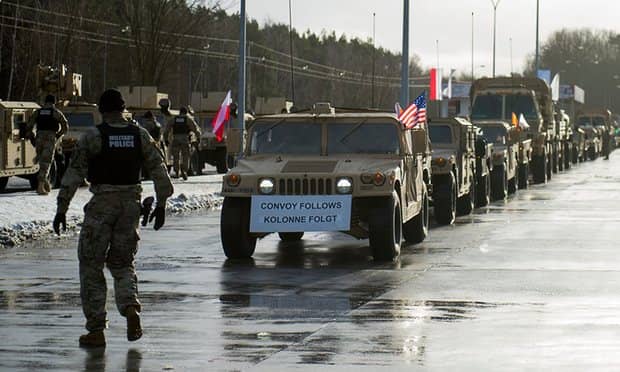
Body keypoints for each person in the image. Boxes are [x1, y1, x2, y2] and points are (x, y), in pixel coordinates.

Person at [53, 89, 174, 348]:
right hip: (131, 206)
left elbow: (74, 173)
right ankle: (131, 309)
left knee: (91, 264)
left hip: (102, 206)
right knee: (122, 263)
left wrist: (61, 208)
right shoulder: (139, 135)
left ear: (102, 109)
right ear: (123, 109)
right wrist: (162, 203)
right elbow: (159, 169)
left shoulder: (94, 137)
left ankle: (96, 330)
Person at [26, 94, 68, 195]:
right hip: (50, 138)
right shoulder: (55, 112)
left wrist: (32, 137)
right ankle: (40, 187)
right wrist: (58, 135)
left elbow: (29, 125)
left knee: (42, 162)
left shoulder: (38, 112)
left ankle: (46, 183)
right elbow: (65, 126)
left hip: (39, 138)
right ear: (54, 102)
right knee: (46, 162)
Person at [163, 106, 201, 180]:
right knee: (186, 156)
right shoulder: (188, 119)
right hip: (185, 139)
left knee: (176, 156)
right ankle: (184, 170)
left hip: (175, 139)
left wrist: (166, 139)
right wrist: (198, 138)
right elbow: (196, 129)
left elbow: (166, 129)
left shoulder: (174, 119)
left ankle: (177, 172)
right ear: (186, 112)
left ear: (180, 112)